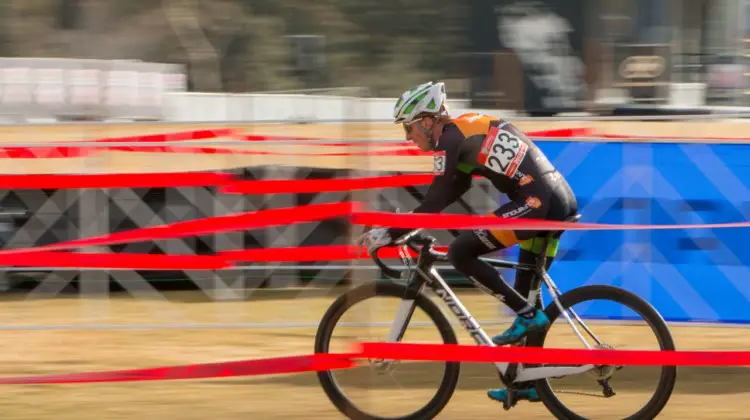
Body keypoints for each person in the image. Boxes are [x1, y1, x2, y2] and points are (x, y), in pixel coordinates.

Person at [362, 81, 579, 404]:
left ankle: (527, 318)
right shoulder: (460, 132)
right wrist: (404, 227)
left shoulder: (449, 140)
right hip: (556, 200)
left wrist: (389, 233)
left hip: (538, 203)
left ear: (426, 120)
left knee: (462, 251)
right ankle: (527, 380)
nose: (407, 137)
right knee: (525, 292)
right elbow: (452, 190)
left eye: (408, 128)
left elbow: (434, 202)